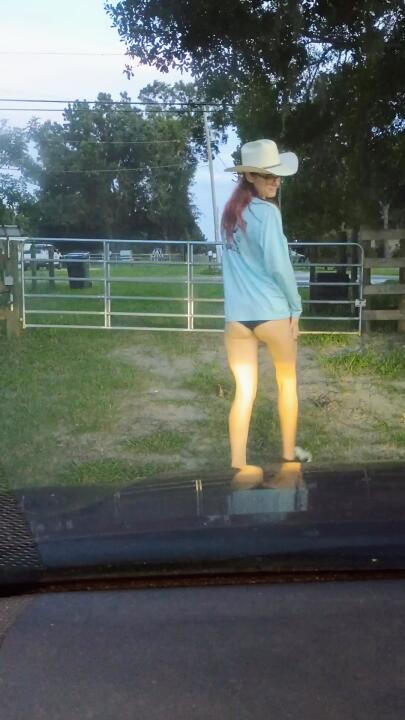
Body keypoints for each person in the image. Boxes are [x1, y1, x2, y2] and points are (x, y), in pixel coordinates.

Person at [221, 138, 312, 472]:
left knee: (244, 392)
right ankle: (288, 455)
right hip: (272, 314)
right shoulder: (268, 214)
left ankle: (238, 465)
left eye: (277, 176)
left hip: (237, 320)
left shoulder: (230, 215)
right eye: (268, 175)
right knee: (287, 384)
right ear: (250, 176)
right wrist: (296, 308)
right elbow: (279, 267)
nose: (276, 181)